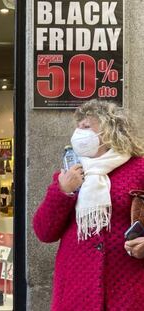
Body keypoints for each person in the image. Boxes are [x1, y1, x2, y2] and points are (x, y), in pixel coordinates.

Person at [33, 99, 144, 311]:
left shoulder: (139, 169)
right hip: (76, 287)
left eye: (86, 126)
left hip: (128, 286)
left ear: (110, 131)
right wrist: (62, 190)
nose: (79, 132)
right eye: (78, 126)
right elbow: (44, 232)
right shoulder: (69, 173)